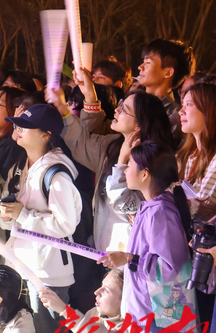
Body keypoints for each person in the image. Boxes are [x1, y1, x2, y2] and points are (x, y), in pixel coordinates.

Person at [99, 142, 196, 333]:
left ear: (145, 174)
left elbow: (169, 268)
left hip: (160, 319)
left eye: (130, 165)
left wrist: (129, 258)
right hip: (146, 317)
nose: (126, 169)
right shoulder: (150, 208)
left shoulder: (160, 213)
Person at [0, 103, 82, 333]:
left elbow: (66, 225)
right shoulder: (21, 167)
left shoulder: (56, 174)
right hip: (21, 266)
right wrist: (8, 216)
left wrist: (21, 215)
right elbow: (17, 218)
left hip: (47, 273)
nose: (19, 128)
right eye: (18, 123)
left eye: (27, 126)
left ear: (46, 135)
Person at [55, 78, 175, 253]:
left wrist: (123, 159)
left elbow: (126, 205)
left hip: (132, 257)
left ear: (139, 125)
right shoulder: (111, 145)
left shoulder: (154, 159)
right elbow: (81, 142)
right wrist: (62, 107)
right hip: (104, 251)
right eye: (120, 104)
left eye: (124, 109)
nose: (117, 110)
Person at [135, 38, 195, 134]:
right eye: (143, 61)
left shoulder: (173, 117)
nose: (140, 67)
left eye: (148, 62)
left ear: (168, 72)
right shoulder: (132, 103)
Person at [178, 82, 216, 220]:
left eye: (188, 104)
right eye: (182, 105)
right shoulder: (191, 155)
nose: (181, 111)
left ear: (209, 110)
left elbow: (201, 210)